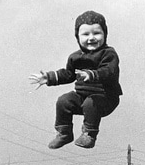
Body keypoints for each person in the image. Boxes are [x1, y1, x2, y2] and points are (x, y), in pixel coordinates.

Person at [29, 10, 122, 149]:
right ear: (77, 37)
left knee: (91, 104)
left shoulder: (108, 54)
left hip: (105, 99)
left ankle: (89, 135)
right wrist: (49, 78)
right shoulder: (75, 57)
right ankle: (64, 133)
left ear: (105, 34)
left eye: (96, 33)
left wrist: (92, 74)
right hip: (82, 97)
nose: (91, 38)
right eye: (85, 34)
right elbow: (68, 74)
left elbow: (109, 71)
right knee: (64, 100)